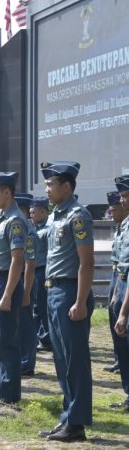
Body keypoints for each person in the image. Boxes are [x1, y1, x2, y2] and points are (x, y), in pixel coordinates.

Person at [37, 161, 94, 442]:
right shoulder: (56, 215)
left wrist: (81, 301)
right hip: (54, 292)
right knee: (61, 360)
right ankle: (67, 418)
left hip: (71, 292)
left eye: (50, 184)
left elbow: (86, 262)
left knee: (76, 361)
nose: (46, 189)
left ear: (66, 186)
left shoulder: (77, 216)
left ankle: (78, 423)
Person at [0, 171, 26, 413]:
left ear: (7, 192)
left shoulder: (15, 220)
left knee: (7, 342)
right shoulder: (1, 217)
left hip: (3, 283)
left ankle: (9, 398)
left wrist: (8, 294)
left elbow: (17, 261)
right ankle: (2, 393)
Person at [110, 176, 129, 412]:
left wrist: (123, 311)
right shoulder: (125, 224)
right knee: (122, 345)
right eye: (122, 196)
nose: (123, 200)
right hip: (121, 283)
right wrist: (115, 293)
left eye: (126, 196)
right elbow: (120, 264)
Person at [15, 193, 37, 377]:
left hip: (25, 279)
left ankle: (27, 362)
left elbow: (29, 264)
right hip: (16, 278)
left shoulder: (28, 232)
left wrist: (26, 291)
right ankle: (20, 360)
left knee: (25, 325)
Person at [30, 196, 52, 352]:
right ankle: (41, 337)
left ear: (43, 212)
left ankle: (47, 339)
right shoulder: (33, 229)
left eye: (34, 212)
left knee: (43, 307)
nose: (31, 215)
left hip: (43, 272)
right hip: (34, 271)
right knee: (36, 307)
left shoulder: (47, 230)